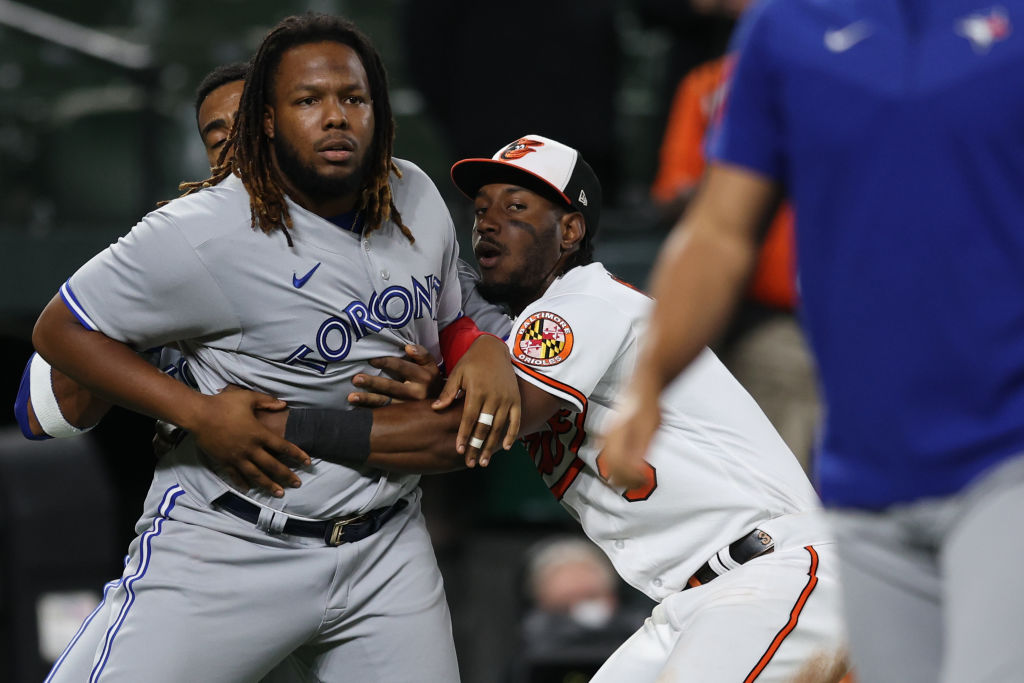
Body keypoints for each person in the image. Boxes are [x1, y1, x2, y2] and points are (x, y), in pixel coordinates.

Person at [30, 14, 521, 681]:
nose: (336, 117)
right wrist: (196, 410)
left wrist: (481, 350)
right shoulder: (200, 232)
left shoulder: (416, 195)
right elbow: (59, 330)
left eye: (352, 98)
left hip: (386, 546)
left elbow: (451, 315)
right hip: (233, 541)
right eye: (308, 100)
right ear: (267, 120)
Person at [286, 134, 849, 681]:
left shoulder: (582, 301)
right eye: (481, 208)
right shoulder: (522, 339)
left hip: (773, 572)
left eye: (516, 206)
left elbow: (465, 433)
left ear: (571, 229)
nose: (488, 220)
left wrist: (289, 426)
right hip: (696, 600)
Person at [601, 2, 1024, 682]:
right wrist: (650, 381)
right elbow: (718, 231)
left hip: (1007, 449)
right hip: (865, 477)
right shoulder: (784, 30)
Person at [650, 5, 820, 470]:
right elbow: (673, 200)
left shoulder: (839, 80)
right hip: (757, 312)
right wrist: (741, 176)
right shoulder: (709, 86)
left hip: (831, 306)